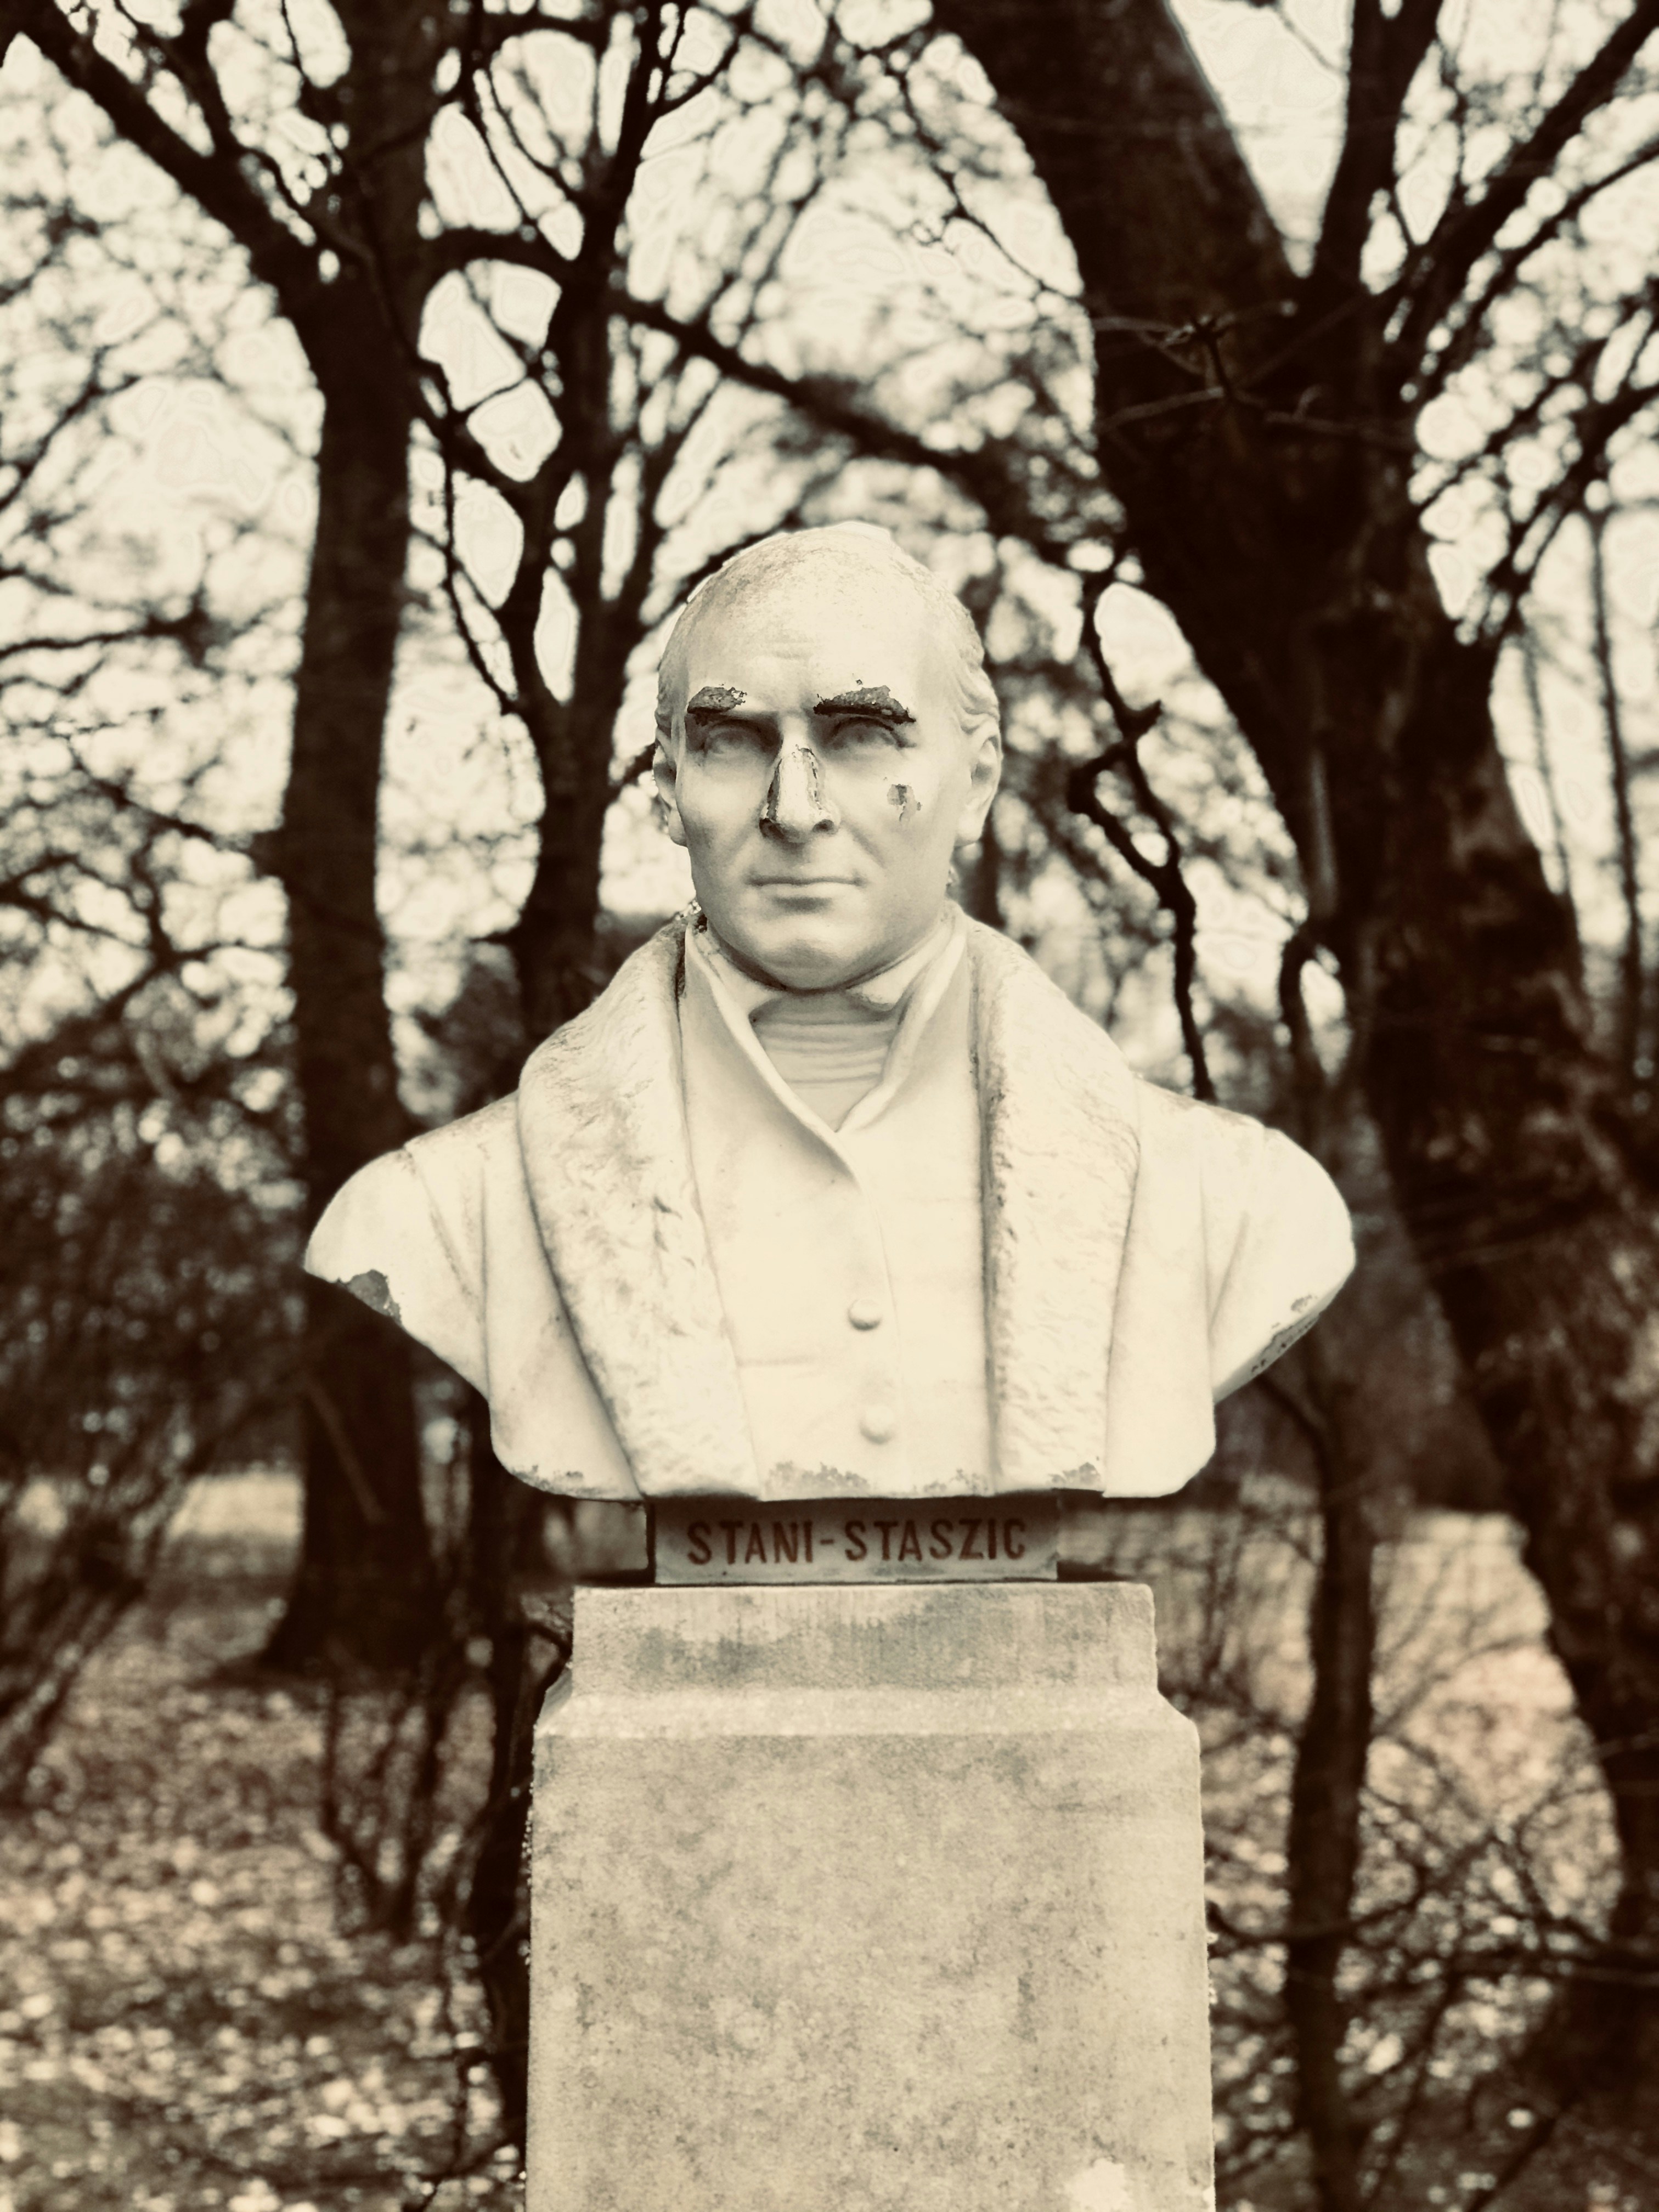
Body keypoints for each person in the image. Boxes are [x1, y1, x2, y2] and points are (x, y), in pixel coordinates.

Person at [306, 527, 1352, 1504]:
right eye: (733, 741)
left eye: (860, 736)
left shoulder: (1243, 1207)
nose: (794, 808)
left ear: (975, 780)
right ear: (667, 788)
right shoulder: (442, 1211)